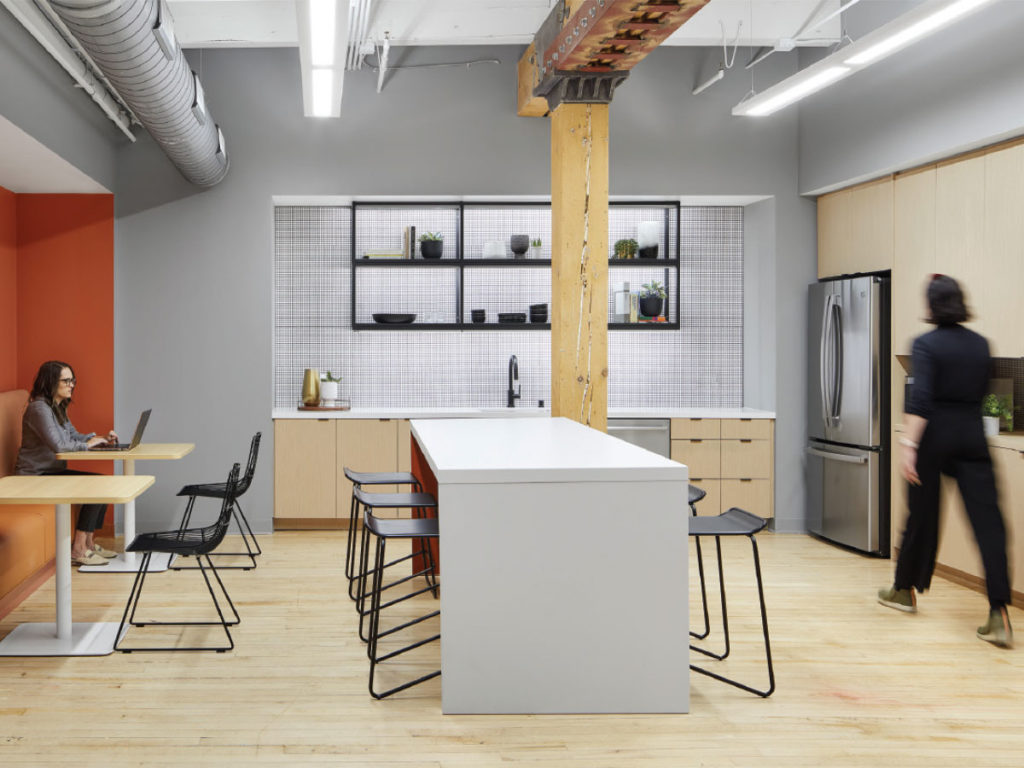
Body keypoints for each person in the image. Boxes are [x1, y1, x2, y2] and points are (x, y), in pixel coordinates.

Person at [878, 274, 1013, 649]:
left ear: (931, 306)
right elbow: (986, 393)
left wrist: (909, 445)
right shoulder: (981, 345)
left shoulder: (925, 344)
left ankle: (904, 590)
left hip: (934, 438)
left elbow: (920, 400)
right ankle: (999, 613)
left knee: (921, 517)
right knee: (989, 527)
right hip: (972, 436)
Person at [15, 361, 119, 566]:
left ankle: (88, 543)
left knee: (102, 483)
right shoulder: (39, 409)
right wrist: (88, 445)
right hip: (34, 477)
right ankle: (78, 549)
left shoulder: (57, 407)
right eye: (66, 380)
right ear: (51, 382)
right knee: (96, 485)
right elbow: (60, 447)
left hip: (50, 472)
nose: (71, 385)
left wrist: (98, 438)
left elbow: (74, 436)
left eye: (73, 380)